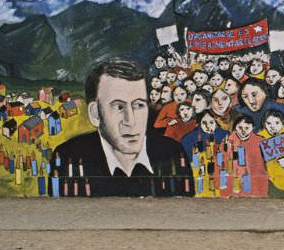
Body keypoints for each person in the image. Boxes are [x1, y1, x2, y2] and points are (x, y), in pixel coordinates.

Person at [52, 58, 193, 197]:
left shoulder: (173, 154)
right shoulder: (68, 158)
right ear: (95, 113)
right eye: (119, 107)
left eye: (138, 105)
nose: (130, 121)